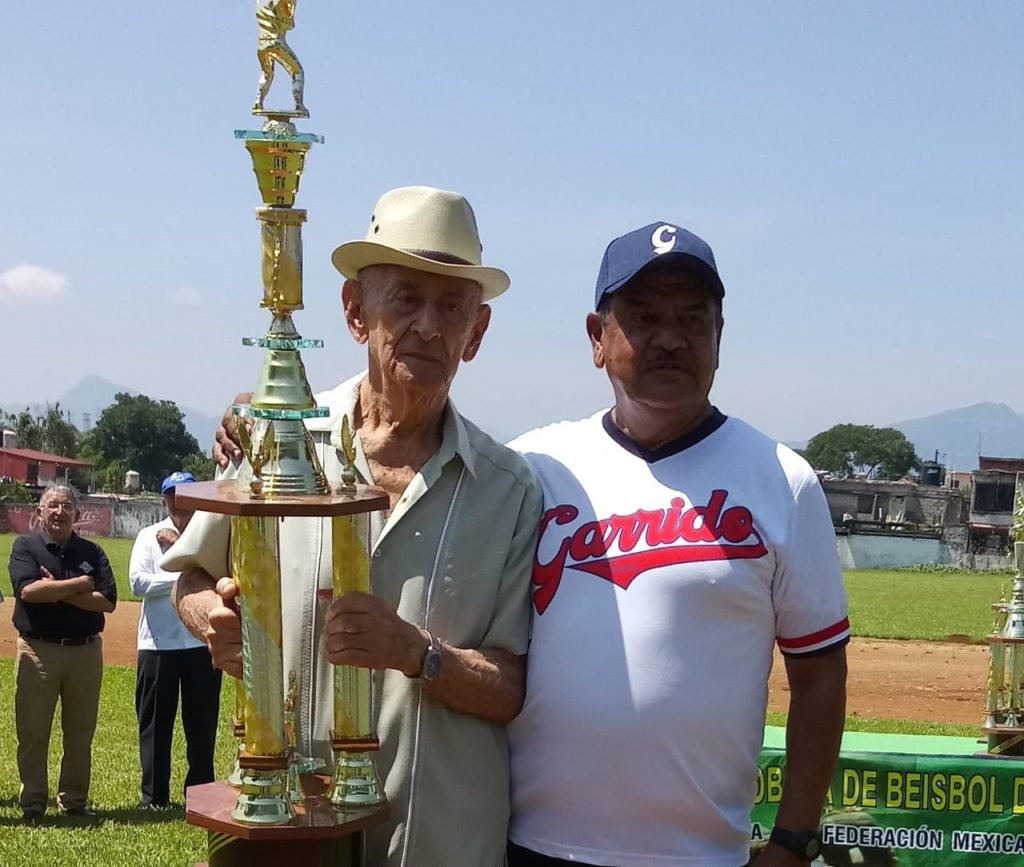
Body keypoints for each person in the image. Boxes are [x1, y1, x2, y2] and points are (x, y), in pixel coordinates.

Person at [167, 185, 542, 867]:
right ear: (354, 311)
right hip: (289, 840)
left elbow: (513, 684)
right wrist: (211, 620)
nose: (428, 325)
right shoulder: (281, 441)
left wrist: (417, 650)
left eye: (451, 305)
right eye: (404, 297)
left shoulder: (511, 490)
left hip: (439, 843)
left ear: (477, 331)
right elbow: (190, 577)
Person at [505, 223, 849, 866]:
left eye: (693, 319)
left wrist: (794, 841)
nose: (669, 338)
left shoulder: (781, 480)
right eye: (642, 317)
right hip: (530, 844)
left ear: (720, 337)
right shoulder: (532, 468)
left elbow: (820, 671)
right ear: (596, 337)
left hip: (700, 855)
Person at [8, 484, 118, 822]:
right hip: (38, 651)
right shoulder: (25, 547)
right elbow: (28, 591)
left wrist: (55, 588)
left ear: (77, 514)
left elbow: (107, 602)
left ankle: (73, 801)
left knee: (80, 731)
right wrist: (80, 584)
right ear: (39, 512)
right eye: (52, 505)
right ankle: (33, 804)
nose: (59, 512)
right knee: (33, 731)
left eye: (66, 506)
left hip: (84, 652)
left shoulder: (92, 551)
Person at [130, 471, 222, 811]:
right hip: (158, 644)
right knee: (155, 724)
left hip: (200, 643)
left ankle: (199, 795)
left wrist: (181, 555)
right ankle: (154, 797)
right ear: (164, 500)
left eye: (187, 495)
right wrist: (184, 575)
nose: (180, 503)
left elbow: (223, 575)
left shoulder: (210, 535)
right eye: (173, 496)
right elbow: (137, 583)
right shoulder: (148, 535)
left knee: (202, 725)